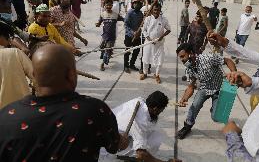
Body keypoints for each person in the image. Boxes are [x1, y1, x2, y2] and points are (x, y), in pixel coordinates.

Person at [0, 44, 129, 161]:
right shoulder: (94, 110)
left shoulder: (6, 116)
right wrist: (124, 138)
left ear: (33, 74)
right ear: (71, 75)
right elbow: (115, 146)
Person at [176, 43, 237, 139]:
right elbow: (191, 87)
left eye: (183, 56)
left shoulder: (208, 58)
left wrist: (234, 74)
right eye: (180, 58)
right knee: (194, 107)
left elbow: (228, 61)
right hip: (204, 89)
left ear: (191, 53)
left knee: (216, 117)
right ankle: (187, 126)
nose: (182, 60)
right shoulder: (189, 69)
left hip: (219, 89)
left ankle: (217, 111)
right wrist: (184, 99)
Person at [100, 91, 181, 162]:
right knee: (153, 142)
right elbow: (141, 154)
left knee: (153, 136)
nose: (162, 111)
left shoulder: (139, 101)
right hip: (107, 149)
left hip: (109, 134)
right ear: (155, 109)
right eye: (161, 110)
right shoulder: (141, 122)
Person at [0, 21, 33, 108]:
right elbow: (36, 77)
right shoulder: (15, 53)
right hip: (20, 109)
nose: (9, 40)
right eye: (8, 36)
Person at [140, 3, 171, 84]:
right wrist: (149, 39)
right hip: (148, 43)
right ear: (152, 10)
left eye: (158, 10)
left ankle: (157, 75)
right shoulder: (148, 19)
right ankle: (145, 73)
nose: (156, 11)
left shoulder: (164, 19)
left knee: (159, 60)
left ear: (160, 10)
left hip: (159, 44)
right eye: (154, 10)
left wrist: (162, 36)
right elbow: (144, 30)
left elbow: (168, 29)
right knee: (145, 59)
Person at [96, 0, 124, 71]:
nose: (108, 6)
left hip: (112, 37)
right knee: (102, 47)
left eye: (110, 5)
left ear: (112, 6)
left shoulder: (115, 15)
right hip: (104, 36)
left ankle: (102, 64)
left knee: (107, 50)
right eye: (107, 5)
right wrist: (97, 24)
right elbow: (99, 22)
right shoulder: (102, 14)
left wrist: (127, 20)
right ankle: (108, 53)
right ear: (104, 6)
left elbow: (124, 19)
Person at [124, 0, 144, 73]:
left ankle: (132, 64)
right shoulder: (130, 13)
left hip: (137, 36)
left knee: (136, 51)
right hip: (129, 36)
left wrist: (145, 17)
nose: (137, 5)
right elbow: (126, 25)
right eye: (135, 3)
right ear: (133, 4)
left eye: (138, 3)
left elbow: (142, 24)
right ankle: (126, 66)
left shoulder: (141, 14)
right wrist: (132, 32)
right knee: (128, 51)